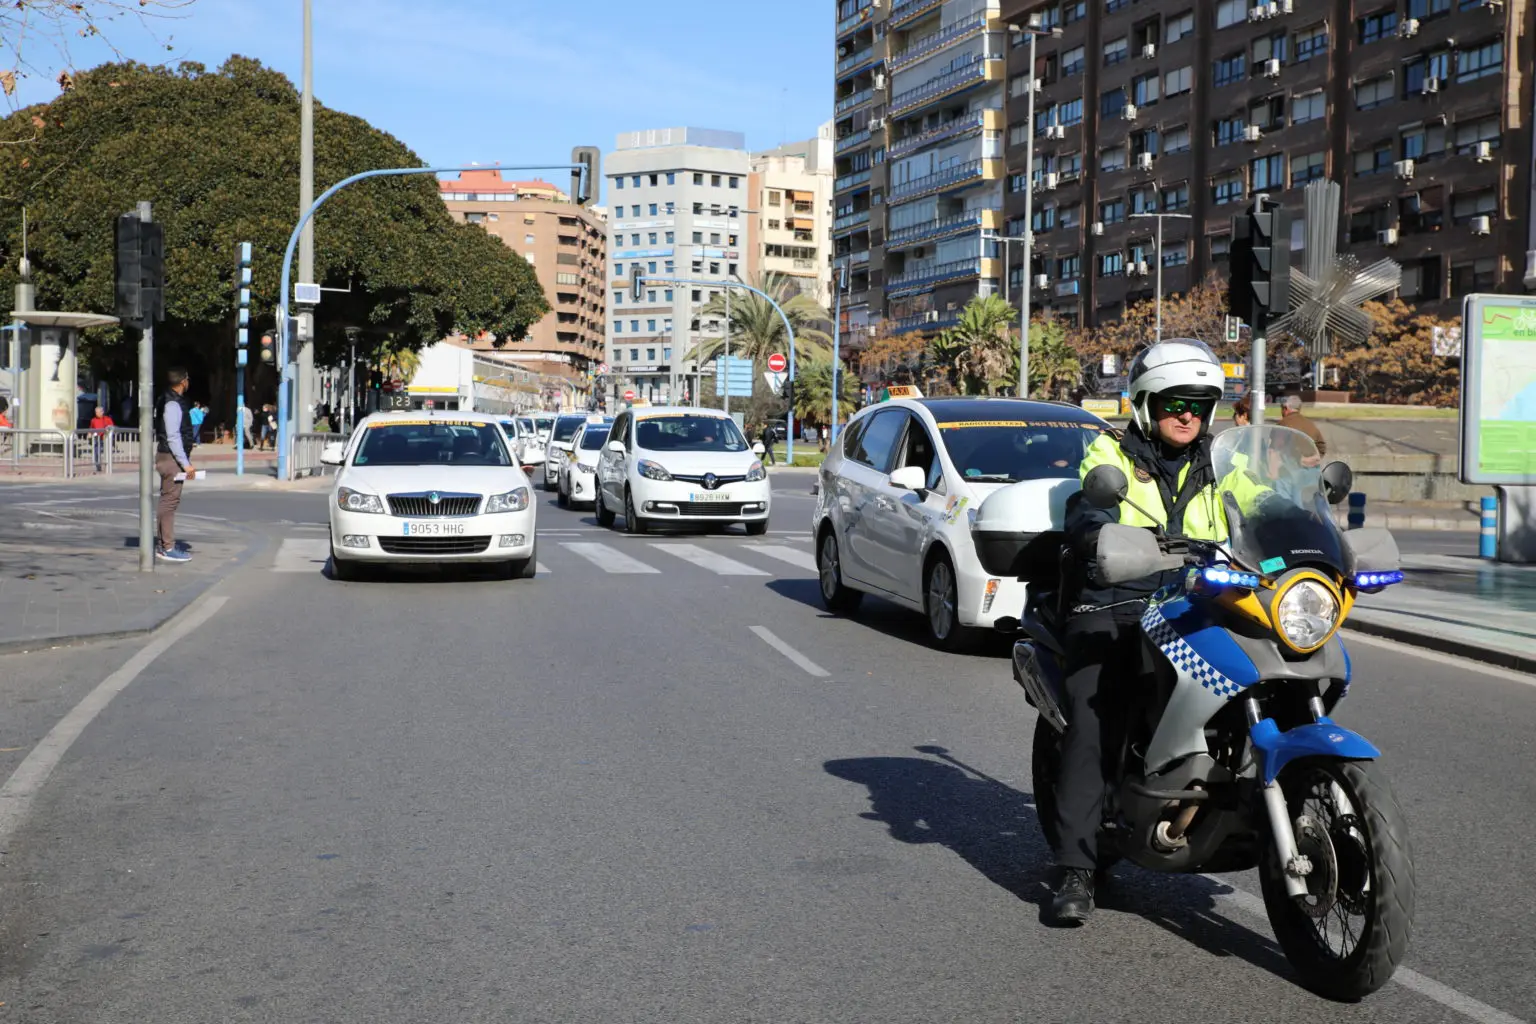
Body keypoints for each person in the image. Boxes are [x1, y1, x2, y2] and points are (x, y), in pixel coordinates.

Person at [1051, 339, 1232, 926]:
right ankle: (1075, 868)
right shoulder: (1111, 454)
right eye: (1176, 403)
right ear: (1147, 404)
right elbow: (1089, 510)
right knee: (1095, 712)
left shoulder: (1225, 462)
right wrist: (1096, 534)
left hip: (1198, 601)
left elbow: (1268, 507)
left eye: (1199, 405)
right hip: (1117, 599)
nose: (1188, 415)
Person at [153, 367, 196, 562]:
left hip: (167, 456)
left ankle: (164, 544)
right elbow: (173, 436)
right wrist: (185, 464)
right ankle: (167, 547)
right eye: (187, 379)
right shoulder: (172, 403)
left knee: (167, 500)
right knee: (170, 502)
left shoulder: (166, 400)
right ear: (182, 382)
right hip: (171, 459)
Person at [90, 405, 114, 472]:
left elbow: (112, 428)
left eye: (99, 412)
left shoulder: (107, 419)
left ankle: (108, 466)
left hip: (105, 439)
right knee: (96, 452)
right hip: (97, 438)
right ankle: (98, 466)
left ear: (102, 412)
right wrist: (89, 434)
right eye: (96, 412)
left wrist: (107, 433)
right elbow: (91, 428)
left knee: (107, 452)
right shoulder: (93, 420)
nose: (97, 413)